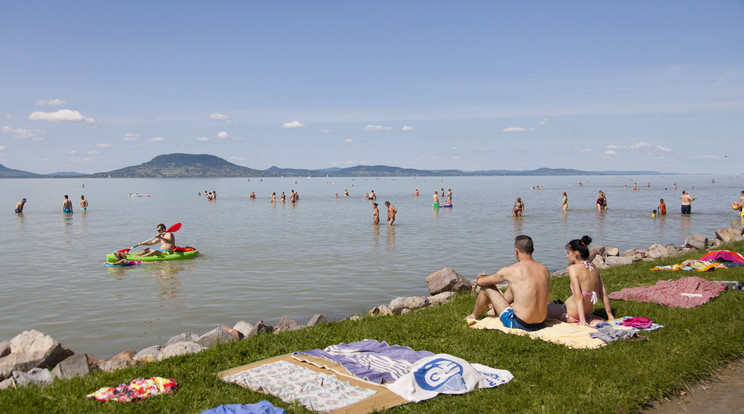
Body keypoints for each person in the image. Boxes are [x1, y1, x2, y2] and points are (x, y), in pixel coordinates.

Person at [466, 235, 550, 331]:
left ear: (516, 251)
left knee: (487, 288)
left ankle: (474, 316)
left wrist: (480, 276)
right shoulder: (544, 269)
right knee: (512, 284)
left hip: (519, 324)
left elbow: (481, 282)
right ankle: (495, 310)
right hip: (541, 323)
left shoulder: (512, 270)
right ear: (533, 250)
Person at [547, 236, 614, 325]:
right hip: (585, 313)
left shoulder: (573, 269)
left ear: (576, 253)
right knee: (551, 305)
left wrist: (582, 321)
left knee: (541, 308)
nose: (567, 256)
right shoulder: (593, 267)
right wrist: (610, 316)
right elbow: (603, 293)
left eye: (568, 253)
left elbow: (578, 296)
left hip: (571, 314)